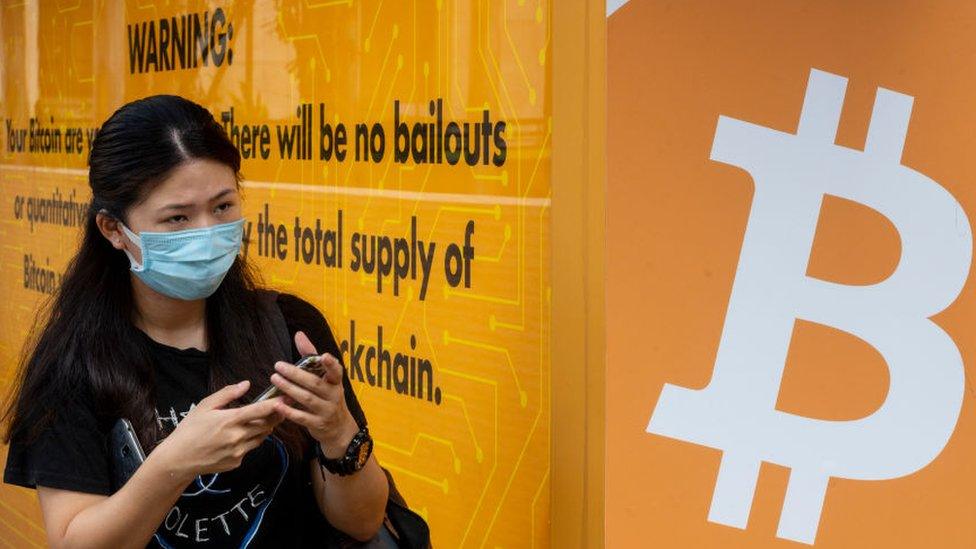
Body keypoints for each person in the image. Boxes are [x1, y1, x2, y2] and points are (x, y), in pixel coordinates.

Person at [1, 94, 389, 547]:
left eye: (222, 207)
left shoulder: (289, 326)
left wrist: (338, 431)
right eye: (177, 218)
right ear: (113, 229)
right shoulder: (74, 364)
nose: (205, 233)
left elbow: (361, 523)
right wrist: (177, 461)